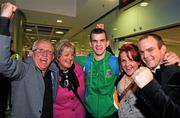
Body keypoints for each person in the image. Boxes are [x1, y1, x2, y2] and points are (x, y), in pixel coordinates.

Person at [0, 3, 58, 118]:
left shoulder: (54, 70)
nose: (45, 54)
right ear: (32, 53)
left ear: (53, 57)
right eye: (40, 50)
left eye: (49, 52)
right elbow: (3, 63)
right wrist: (4, 20)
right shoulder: (23, 70)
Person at [132, 34, 180, 118]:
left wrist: (149, 85)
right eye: (142, 52)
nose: (145, 56)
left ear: (163, 49)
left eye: (150, 50)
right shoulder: (147, 71)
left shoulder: (174, 72)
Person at [75, 28, 119, 118]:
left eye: (102, 40)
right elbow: (65, 58)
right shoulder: (84, 61)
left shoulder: (115, 62)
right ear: (90, 44)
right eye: (95, 41)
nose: (98, 44)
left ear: (107, 43)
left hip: (111, 114)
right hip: (89, 113)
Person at [53, 40, 86, 118]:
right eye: (66, 55)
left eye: (72, 55)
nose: (70, 58)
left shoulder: (79, 69)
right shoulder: (52, 72)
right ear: (58, 56)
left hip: (79, 115)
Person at [114, 43, 145, 118]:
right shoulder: (120, 78)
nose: (127, 64)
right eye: (123, 61)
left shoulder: (146, 79)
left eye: (131, 60)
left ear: (138, 61)